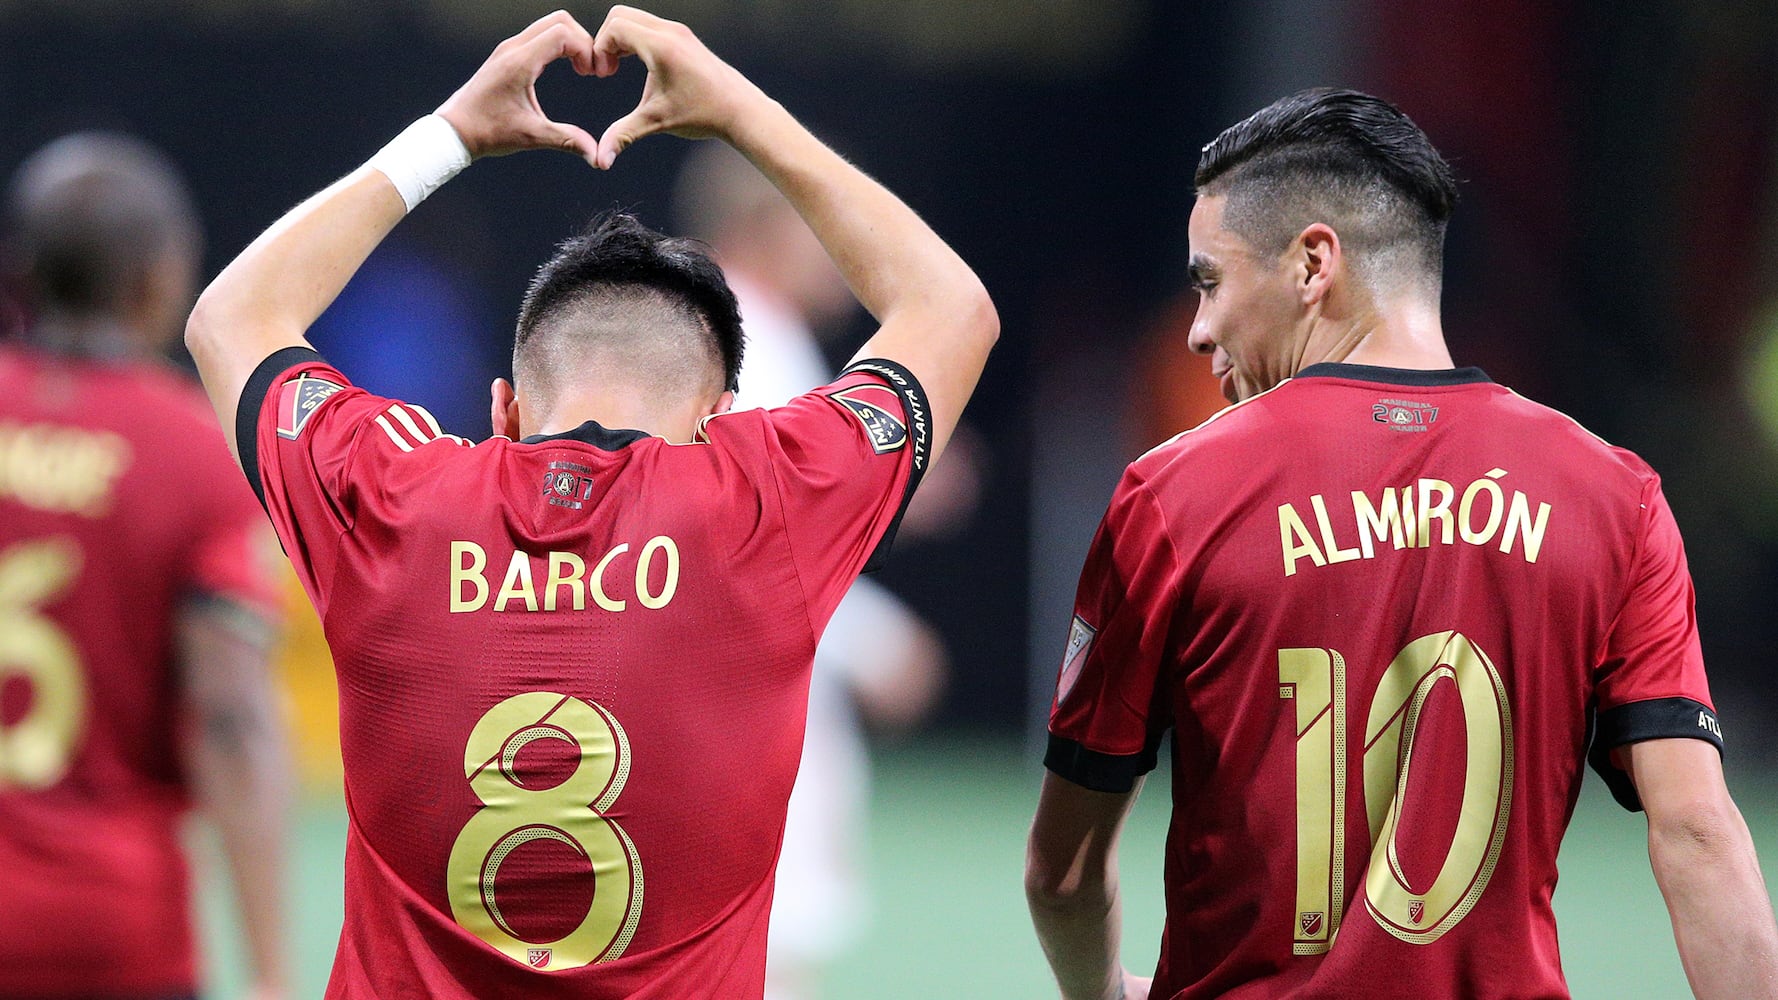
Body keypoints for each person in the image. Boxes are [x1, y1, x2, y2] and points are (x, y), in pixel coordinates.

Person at [183, 7, 996, 997]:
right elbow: (948, 307)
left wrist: (451, 134)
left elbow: (233, 316)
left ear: (503, 406)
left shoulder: (390, 492)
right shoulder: (763, 495)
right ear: (724, 415)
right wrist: (736, 107)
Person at [1024, 88, 1778, 1000]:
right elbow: (1697, 832)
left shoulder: (1173, 495)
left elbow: (1062, 874)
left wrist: (1100, 989)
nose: (1197, 328)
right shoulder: (1614, 498)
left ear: (1312, 264)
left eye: (1209, 282)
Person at [0, 133, 289, 999]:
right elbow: (231, 720)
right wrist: (271, 972)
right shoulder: (192, 454)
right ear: (160, 280)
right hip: (111, 937)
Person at [674, 143, 949, 1000]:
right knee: (765, 959)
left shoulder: (699, 323)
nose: (841, 247)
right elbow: (751, 545)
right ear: (767, 226)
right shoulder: (751, 334)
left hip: (700, 693)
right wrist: (876, 643)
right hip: (751, 702)